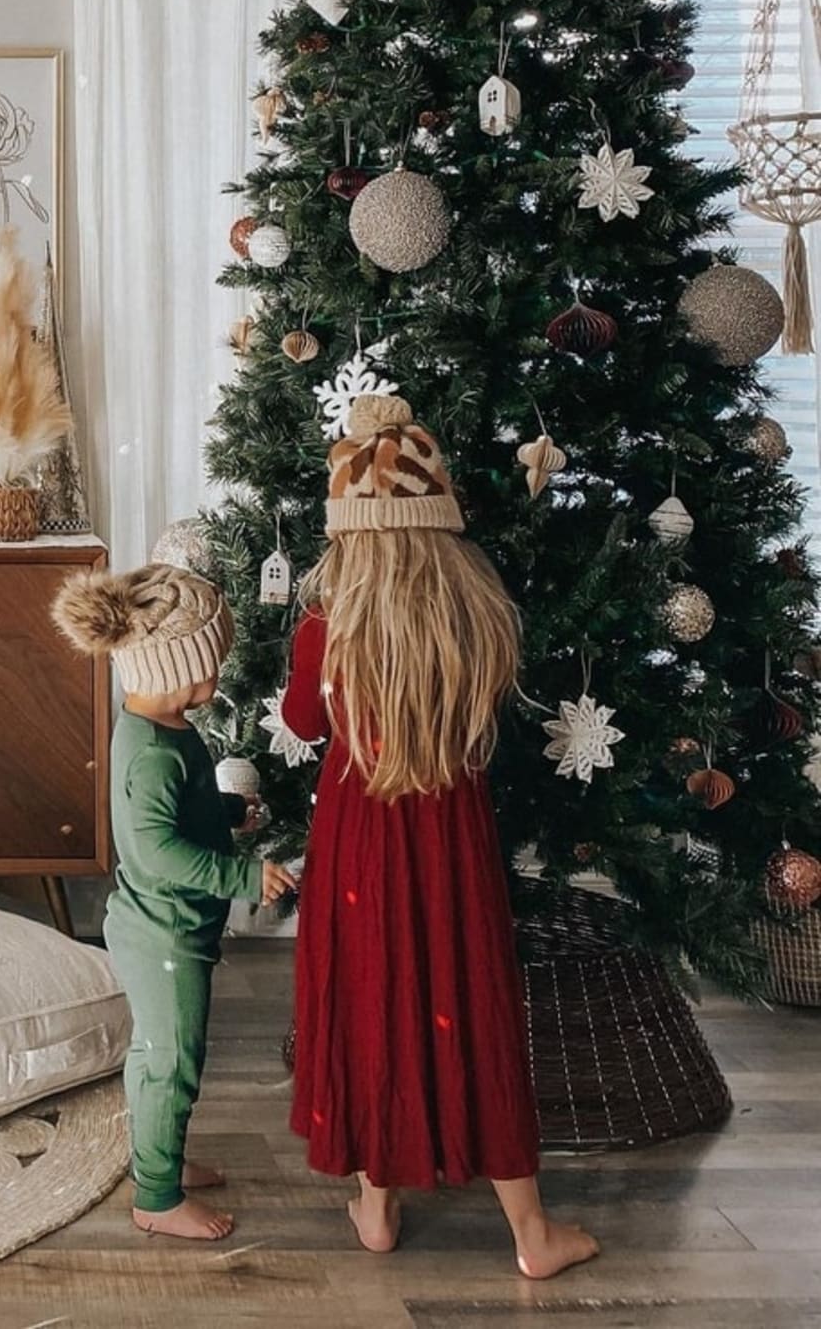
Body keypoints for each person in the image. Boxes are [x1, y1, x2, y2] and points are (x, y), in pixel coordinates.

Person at [285, 392, 599, 1280]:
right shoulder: (476, 612)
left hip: (356, 835)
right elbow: (483, 712)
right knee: (475, 1004)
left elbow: (305, 722)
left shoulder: (329, 626)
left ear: (345, 525)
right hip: (449, 840)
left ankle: (377, 1206)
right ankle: (531, 1231)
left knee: (364, 999)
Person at [53, 563, 296, 1242]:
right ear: (162, 666)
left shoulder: (163, 729)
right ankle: (156, 1196)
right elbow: (153, 849)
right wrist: (244, 875)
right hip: (165, 936)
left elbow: (170, 815)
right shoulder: (153, 752)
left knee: (158, 1054)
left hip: (165, 925)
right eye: (203, 671)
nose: (213, 684)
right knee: (172, 1062)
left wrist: (222, 810)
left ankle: (161, 1158)